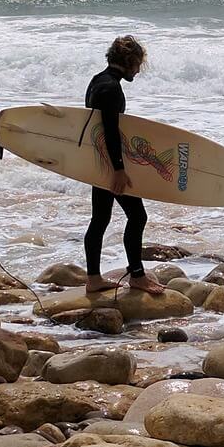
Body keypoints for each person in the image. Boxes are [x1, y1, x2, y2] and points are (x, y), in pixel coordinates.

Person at [83, 35, 164, 295]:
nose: (138, 70)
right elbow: (109, 131)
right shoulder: (110, 89)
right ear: (128, 62)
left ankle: (94, 279)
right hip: (109, 164)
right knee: (138, 216)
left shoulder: (98, 80)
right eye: (137, 64)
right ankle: (137, 276)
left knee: (100, 220)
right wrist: (118, 170)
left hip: (99, 161)